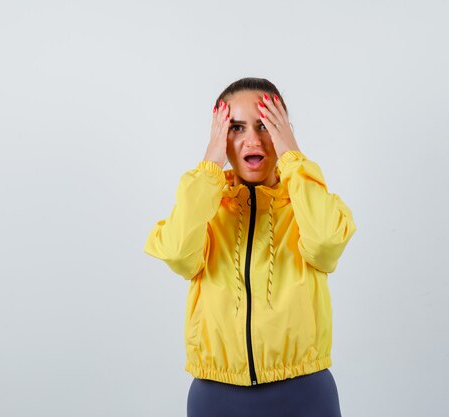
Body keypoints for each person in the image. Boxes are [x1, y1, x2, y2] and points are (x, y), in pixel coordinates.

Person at [143, 77, 356, 417]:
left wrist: (293, 158)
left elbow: (326, 243)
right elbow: (179, 253)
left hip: (304, 392)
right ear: (219, 135)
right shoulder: (204, 207)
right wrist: (210, 163)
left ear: (284, 130)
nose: (252, 140)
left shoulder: (306, 201)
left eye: (265, 125)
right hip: (216, 396)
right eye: (236, 128)